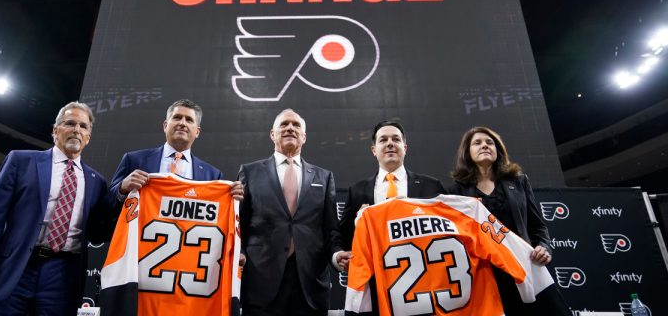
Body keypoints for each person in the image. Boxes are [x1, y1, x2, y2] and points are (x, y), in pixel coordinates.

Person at [0, 101, 115, 315]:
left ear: (88, 137)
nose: (76, 130)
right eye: (69, 123)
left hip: (63, 274)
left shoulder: (96, 181)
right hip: (16, 268)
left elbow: (97, 231)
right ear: (55, 130)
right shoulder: (21, 160)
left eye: (83, 126)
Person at [447, 126, 571, 316]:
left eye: (490, 142)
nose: (485, 146)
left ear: (498, 149)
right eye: (477, 143)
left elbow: (537, 226)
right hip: (485, 275)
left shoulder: (519, 181)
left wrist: (544, 247)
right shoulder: (456, 191)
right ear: (467, 152)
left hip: (524, 267)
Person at [238, 109, 350, 316]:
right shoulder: (250, 172)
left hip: (310, 285)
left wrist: (336, 256)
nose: (290, 128)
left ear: (304, 137)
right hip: (261, 282)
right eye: (284, 124)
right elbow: (239, 225)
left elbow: (330, 229)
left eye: (296, 125)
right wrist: (240, 253)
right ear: (272, 134)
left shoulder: (324, 177)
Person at [339, 120, 445, 249]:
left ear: (405, 148)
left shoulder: (432, 186)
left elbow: (448, 227)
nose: (390, 143)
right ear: (374, 150)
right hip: (376, 265)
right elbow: (345, 237)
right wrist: (360, 223)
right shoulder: (356, 191)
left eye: (396, 139)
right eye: (383, 140)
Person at [110, 99, 242, 200]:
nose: (182, 123)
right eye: (177, 117)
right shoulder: (133, 160)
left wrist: (232, 199)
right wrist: (121, 189)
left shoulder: (212, 175)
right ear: (165, 126)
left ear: (197, 132)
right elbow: (104, 207)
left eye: (189, 120)